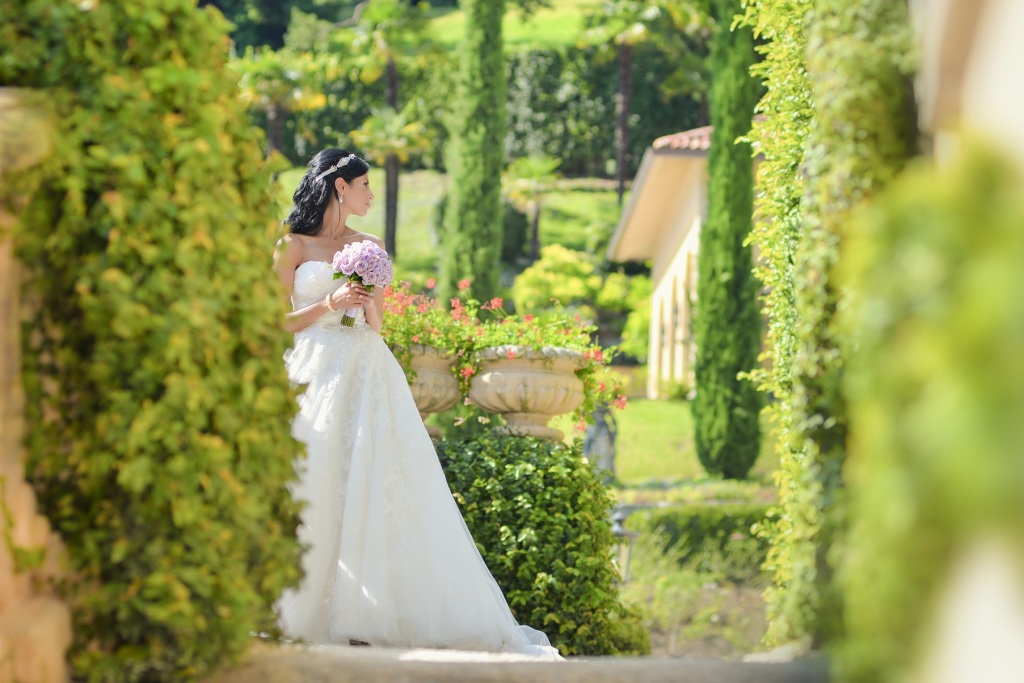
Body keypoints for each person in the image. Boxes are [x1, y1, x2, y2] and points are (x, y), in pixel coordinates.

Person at [272, 148, 562, 659]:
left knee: (373, 479)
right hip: (311, 369)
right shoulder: (291, 245)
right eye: (364, 186)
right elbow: (274, 322)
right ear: (340, 187)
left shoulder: (371, 246)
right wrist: (328, 304)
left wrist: (366, 290)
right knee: (309, 478)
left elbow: (378, 324)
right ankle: (294, 603)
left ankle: (364, 614)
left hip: (365, 367)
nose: (370, 195)